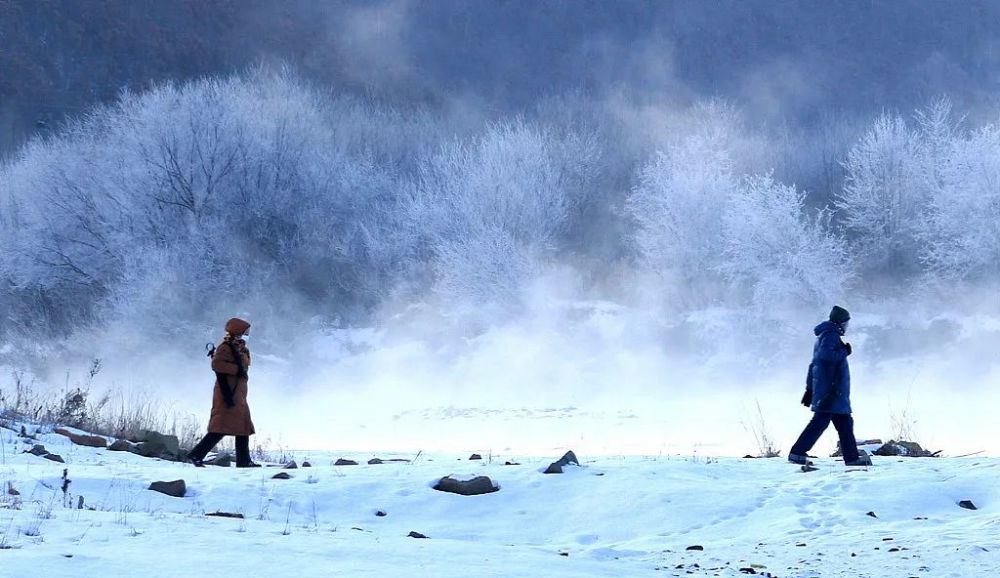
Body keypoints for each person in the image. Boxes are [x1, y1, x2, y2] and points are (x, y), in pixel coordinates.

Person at [788, 305, 872, 467]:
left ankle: (850, 458)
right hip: (832, 392)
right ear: (840, 322)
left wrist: (809, 389)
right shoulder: (831, 335)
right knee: (831, 423)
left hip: (829, 392)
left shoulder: (824, 335)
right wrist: (845, 352)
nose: (846, 326)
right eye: (846, 323)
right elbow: (826, 356)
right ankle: (798, 453)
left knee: (840, 423)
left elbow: (814, 365)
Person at [187, 317, 260, 468]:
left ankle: (244, 461)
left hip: (238, 393)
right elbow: (217, 364)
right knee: (220, 427)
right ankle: (197, 455)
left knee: (243, 427)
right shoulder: (226, 347)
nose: (248, 333)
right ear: (238, 330)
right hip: (227, 392)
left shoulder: (240, 346)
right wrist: (237, 370)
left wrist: (240, 370)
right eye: (246, 330)